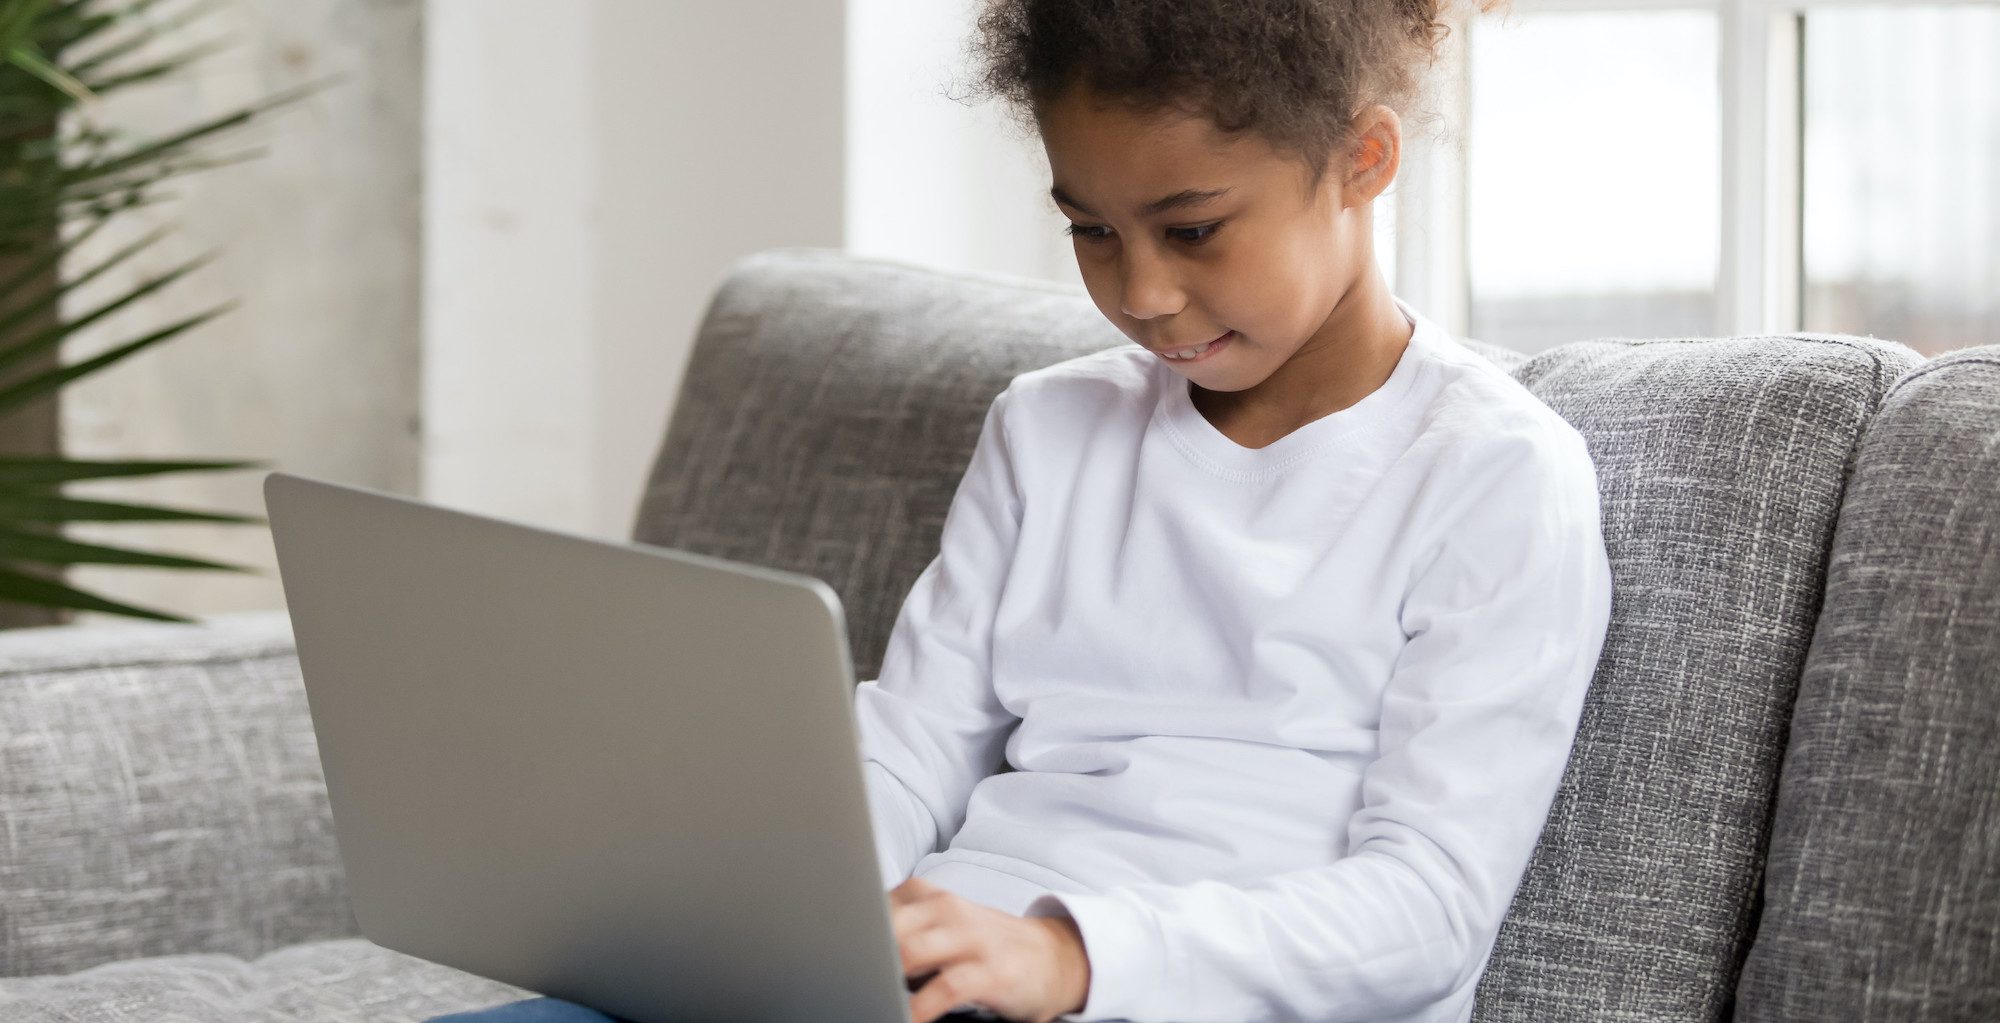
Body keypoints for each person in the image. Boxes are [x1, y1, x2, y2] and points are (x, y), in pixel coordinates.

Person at [429, 0, 1613, 1021]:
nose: (1141, 292)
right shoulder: (1047, 429)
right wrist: (764, 909)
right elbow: (911, 744)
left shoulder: (1492, 473)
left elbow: (1427, 910)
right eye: (1090, 231)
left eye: (1191, 229)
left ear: (1362, 160)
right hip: (947, 982)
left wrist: (1068, 956)